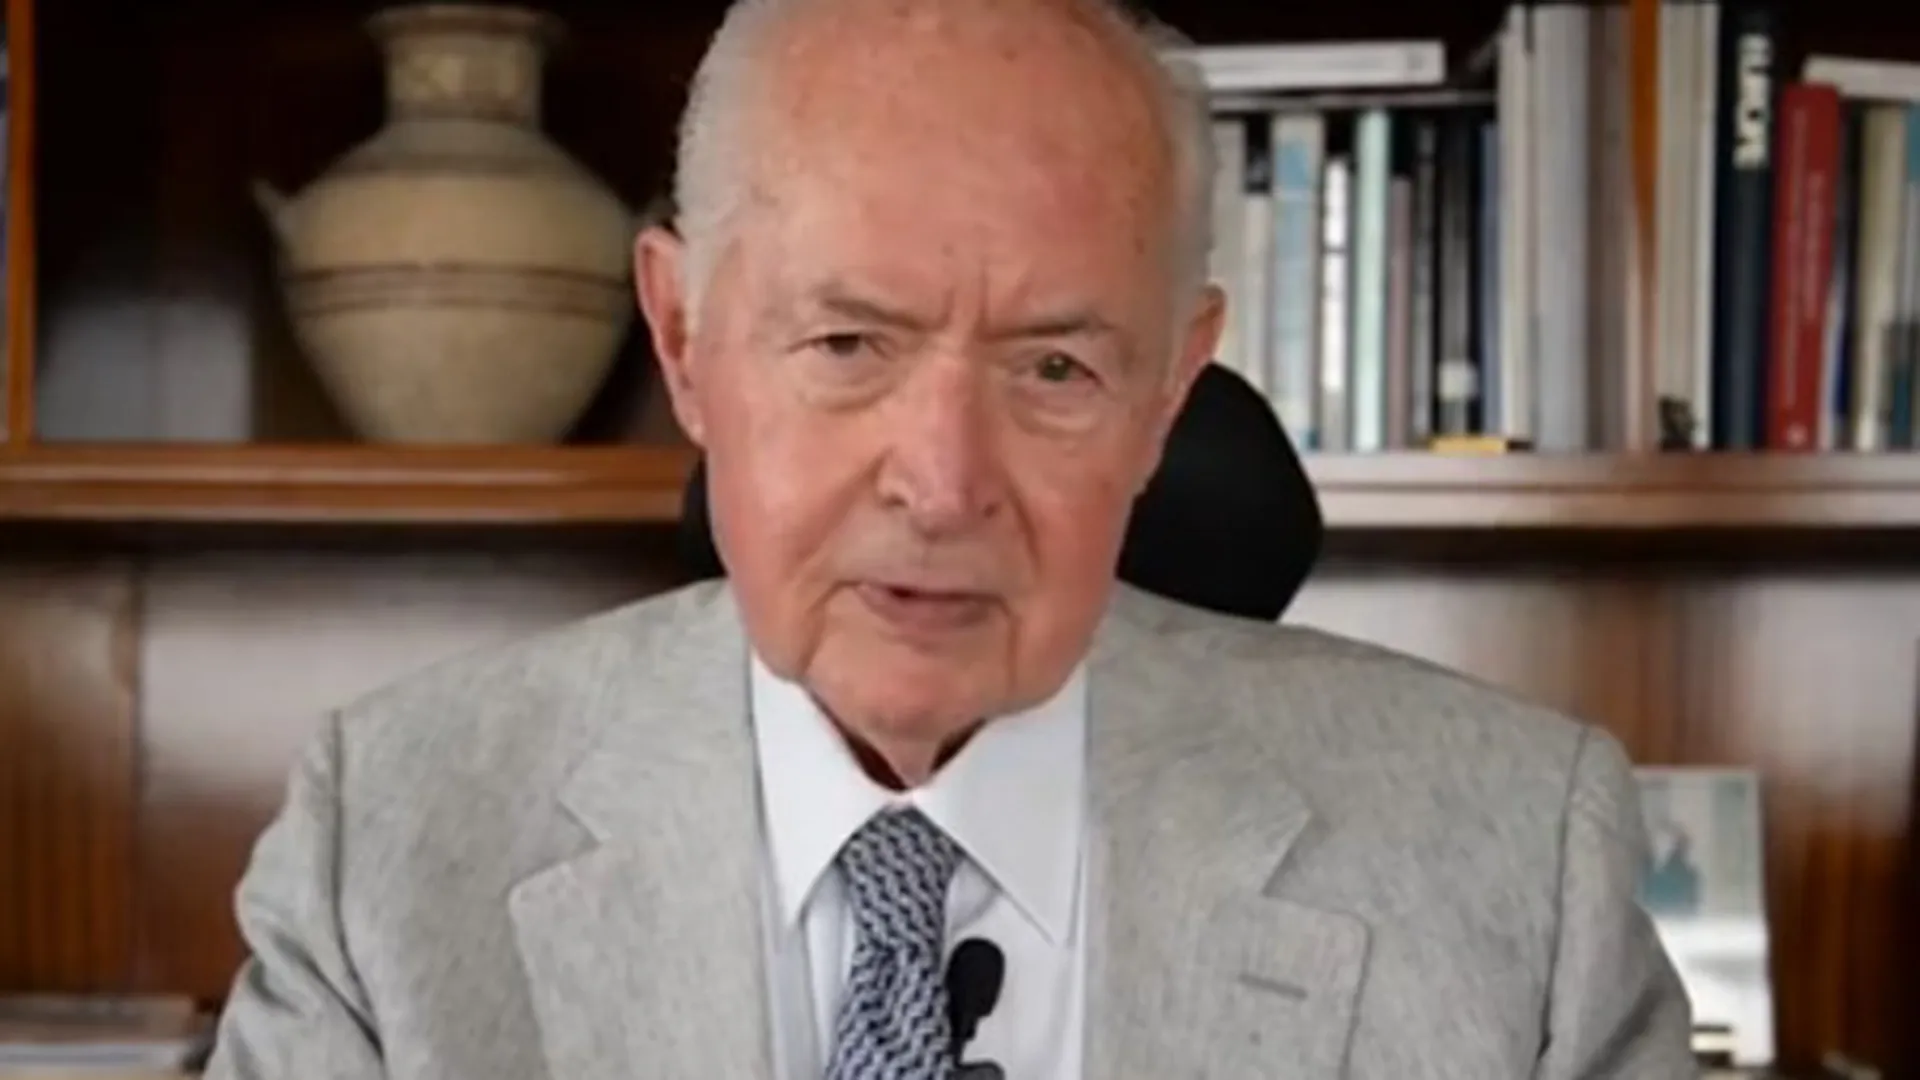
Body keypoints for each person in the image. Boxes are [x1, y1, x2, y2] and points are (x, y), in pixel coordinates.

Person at [202, 0, 1694, 1076]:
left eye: (1054, 367)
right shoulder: (390, 849)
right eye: (849, 343)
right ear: (684, 337)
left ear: (1170, 394)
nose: (942, 483)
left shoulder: (1516, 869)